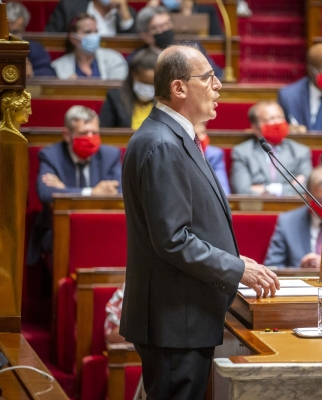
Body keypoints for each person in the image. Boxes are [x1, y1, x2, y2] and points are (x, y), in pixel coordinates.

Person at [120, 44, 280, 399]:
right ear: (179, 88)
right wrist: (236, 268)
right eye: (208, 77)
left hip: (183, 317)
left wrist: (236, 261)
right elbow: (173, 239)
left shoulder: (173, 138)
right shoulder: (162, 144)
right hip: (176, 320)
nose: (218, 86)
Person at [28, 106, 122, 266]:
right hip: (59, 230)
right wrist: (92, 192)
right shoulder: (51, 156)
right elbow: (45, 193)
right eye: (84, 133)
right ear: (67, 135)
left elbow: (119, 193)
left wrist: (64, 189)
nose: (91, 138)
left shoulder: (110, 155)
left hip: (98, 226)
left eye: (95, 132)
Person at [231, 101, 312, 196]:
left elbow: (308, 187)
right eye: (270, 119)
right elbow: (243, 190)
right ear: (255, 128)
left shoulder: (300, 151)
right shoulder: (242, 152)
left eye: (280, 117)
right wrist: (287, 187)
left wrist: (264, 189)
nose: (277, 122)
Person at [130, 6, 222, 77]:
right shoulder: (137, 59)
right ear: (145, 36)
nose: (165, 29)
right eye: (158, 28)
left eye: (167, 24)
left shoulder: (193, 49)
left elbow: (216, 74)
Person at [51, 13, 128, 80]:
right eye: (88, 32)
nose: (94, 36)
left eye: (96, 31)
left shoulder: (114, 60)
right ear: (73, 38)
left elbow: (118, 90)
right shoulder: (58, 67)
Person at [100, 49, 157, 129]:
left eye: (152, 84)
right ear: (134, 75)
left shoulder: (166, 103)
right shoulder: (115, 98)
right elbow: (105, 132)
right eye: (144, 82)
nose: (148, 87)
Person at [6, 2, 56, 77]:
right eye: (6, 31)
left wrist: (31, 73)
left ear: (23, 29)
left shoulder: (34, 49)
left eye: (15, 32)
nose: (10, 36)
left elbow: (49, 73)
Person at [44, 0, 137, 36]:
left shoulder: (128, 13)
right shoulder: (69, 7)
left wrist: (126, 19)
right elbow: (50, 39)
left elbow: (135, 48)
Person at [146, 0, 223, 36]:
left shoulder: (207, 10)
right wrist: (152, 8)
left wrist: (187, 11)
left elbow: (216, 36)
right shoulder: (165, 11)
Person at [195, 122, 231, 195]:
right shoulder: (178, 153)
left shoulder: (214, 155)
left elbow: (224, 191)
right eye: (196, 134)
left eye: (203, 132)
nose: (202, 137)